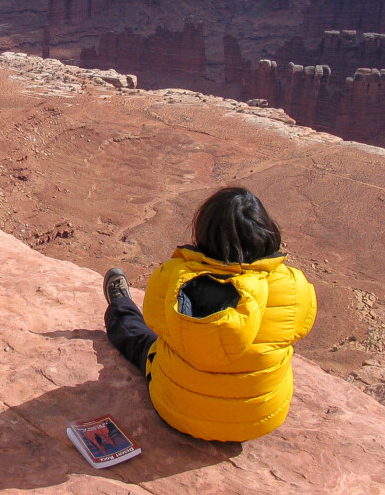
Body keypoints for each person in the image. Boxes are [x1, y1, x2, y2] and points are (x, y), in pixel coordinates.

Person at [103, 186, 317, 442]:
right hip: (258, 421)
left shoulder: (172, 275)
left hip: (175, 411)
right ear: (266, 231)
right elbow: (299, 327)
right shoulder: (294, 286)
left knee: (143, 341)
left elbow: (155, 321)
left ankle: (121, 305)